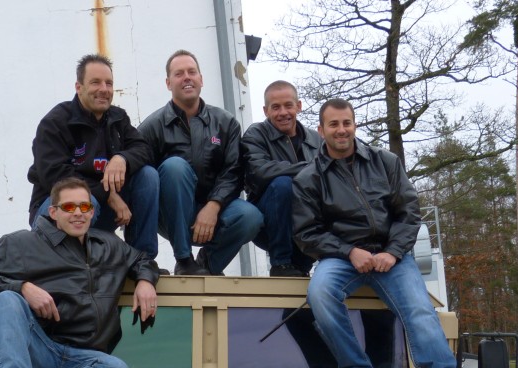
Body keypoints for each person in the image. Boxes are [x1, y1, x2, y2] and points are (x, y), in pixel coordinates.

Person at [292, 99, 459, 368]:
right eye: (334, 124)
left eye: (346, 123)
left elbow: (409, 213)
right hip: (341, 258)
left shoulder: (386, 162)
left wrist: (393, 252)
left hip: (391, 256)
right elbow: (306, 233)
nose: (341, 130)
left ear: (354, 125)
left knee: (420, 309)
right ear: (321, 130)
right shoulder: (308, 179)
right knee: (320, 292)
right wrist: (349, 251)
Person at [0, 178, 160, 368]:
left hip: (86, 362)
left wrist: (146, 280)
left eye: (85, 207)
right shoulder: (22, 245)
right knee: (7, 298)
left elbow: (142, 259)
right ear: (53, 212)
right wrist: (22, 287)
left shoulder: (108, 245)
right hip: (41, 349)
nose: (78, 213)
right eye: (69, 207)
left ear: (92, 211)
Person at [139, 49, 262, 275]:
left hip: (215, 213)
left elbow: (233, 172)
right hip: (169, 216)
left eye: (192, 72)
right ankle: (184, 260)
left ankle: (206, 264)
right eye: (179, 74)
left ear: (201, 79)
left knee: (250, 216)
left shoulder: (226, 123)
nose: (187, 77)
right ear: (168, 83)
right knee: (174, 167)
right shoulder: (151, 127)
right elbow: (139, 178)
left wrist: (213, 206)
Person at [27, 54, 159, 260]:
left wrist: (122, 158)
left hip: (102, 210)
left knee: (148, 176)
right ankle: (66, 264)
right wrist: (108, 194)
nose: (104, 89)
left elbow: (143, 149)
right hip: (54, 211)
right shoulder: (55, 122)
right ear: (78, 87)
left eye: (109, 83)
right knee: (85, 200)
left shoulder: (118, 118)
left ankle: (142, 261)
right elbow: (55, 175)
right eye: (95, 82)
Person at [241, 80, 321, 277]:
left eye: (288, 105)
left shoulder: (316, 141)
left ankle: (306, 265)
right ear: (266, 110)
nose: (283, 112)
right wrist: (308, 168)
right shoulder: (256, 134)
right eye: (275, 107)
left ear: (299, 106)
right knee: (282, 184)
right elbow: (259, 172)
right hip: (269, 221)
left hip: (306, 222)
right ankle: (281, 264)